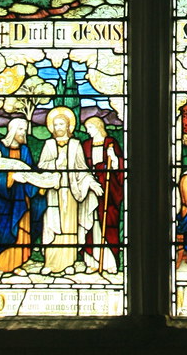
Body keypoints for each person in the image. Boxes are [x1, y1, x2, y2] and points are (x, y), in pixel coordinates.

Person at [37, 107, 103, 275]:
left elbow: (83, 169)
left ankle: (68, 263)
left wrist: (91, 182)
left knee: (69, 228)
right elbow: (42, 167)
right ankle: (50, 263)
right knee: (51, 225)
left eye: (61, 124)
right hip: (53, 193)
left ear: (68, 126)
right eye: (55, 124)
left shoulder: (75, 145)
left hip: (73, 193)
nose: (58, 127)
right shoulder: (48, 144)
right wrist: (56, 163)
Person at [0, 117, 46, 277]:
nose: (24, 133)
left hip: (22, 199)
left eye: (25, 129)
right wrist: (10, 178)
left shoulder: (25, 150)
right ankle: (0, 266)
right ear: (12, 130)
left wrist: (39, 184)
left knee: (22, 232)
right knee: (5, 231)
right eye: (21, 129)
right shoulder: (0, 148)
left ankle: (17, 264)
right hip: (5, 202)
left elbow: (31, 171)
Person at [81, 116, 124, 274]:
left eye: (90, 128)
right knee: (91, 224)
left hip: (109, 188)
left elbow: (120, 167)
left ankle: (110, 262)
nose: (88, 131)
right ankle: (92, 261)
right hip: (91, 187)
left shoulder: (110, 143)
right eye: (87, 128)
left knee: (109, 223)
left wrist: (113, 158)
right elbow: (81, 166)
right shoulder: (86, 145)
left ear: (98, 127)